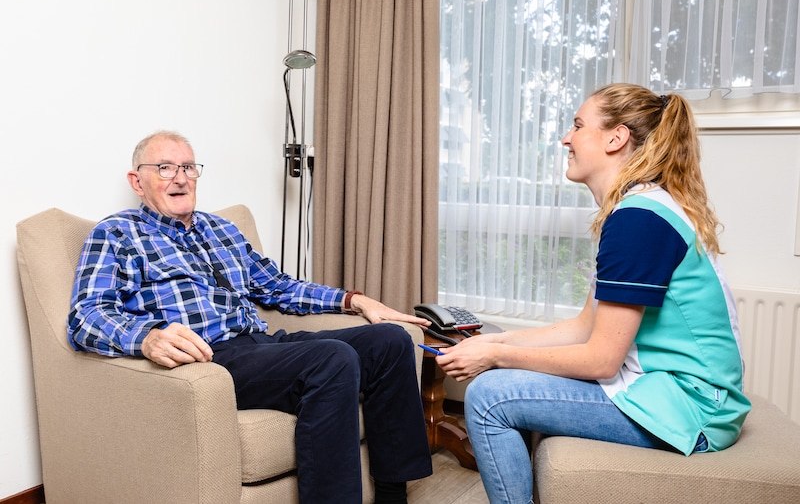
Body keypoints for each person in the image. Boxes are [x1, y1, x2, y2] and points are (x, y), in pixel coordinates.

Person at [67, 130, 433, 504]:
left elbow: (278, 287)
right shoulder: (116, 233)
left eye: (188, 167)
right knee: (333, 359)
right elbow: (85, 316)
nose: (180, 177)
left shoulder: (221, 229)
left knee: (389, 340)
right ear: (137, 181)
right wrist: (145, 337)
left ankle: (392, 496)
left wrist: (356, 301)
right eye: (164, 167)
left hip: (261, 345)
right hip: (211, 358)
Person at [435, 83, 751, 504]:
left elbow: (601, 360)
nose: (567, 138)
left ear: (615, 138)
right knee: (502, 374)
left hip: (693, 410)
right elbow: (585, 325)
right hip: (680, 394)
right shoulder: (638, 209)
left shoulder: (638, 220)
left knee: (490, 397)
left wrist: (495, 357)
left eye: (578, 125)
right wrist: (496, 341)